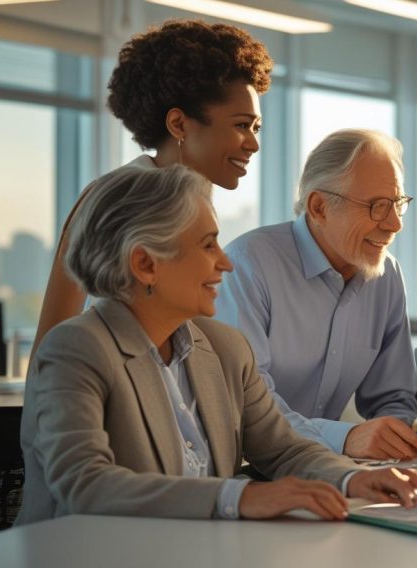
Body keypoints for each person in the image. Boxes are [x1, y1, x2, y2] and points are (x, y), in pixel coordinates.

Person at [18, 165, 417, 525]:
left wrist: (351, 477)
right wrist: (241, 497)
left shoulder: (226, 349)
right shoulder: (77, 348)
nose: (226, 262)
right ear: (146, 264)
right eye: (208, 245)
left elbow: (285, 449)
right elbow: (84, 484)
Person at [32, 19, 272, 359]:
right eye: (241, 125)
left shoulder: (194, 202)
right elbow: (50, 347)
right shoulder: (114, 199)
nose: (253, 144)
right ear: (178, 123)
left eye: (256, 128)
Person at [214, 130, 417, 461]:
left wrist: (390, 440)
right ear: (319, 206)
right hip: (242, 468)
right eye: (377, 207)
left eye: (398, 203)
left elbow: (394, 397)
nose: (395, 224)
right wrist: (344, 439)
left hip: (331, 470)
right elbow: (246, 406)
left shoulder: (388, 277)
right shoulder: (249, 264)